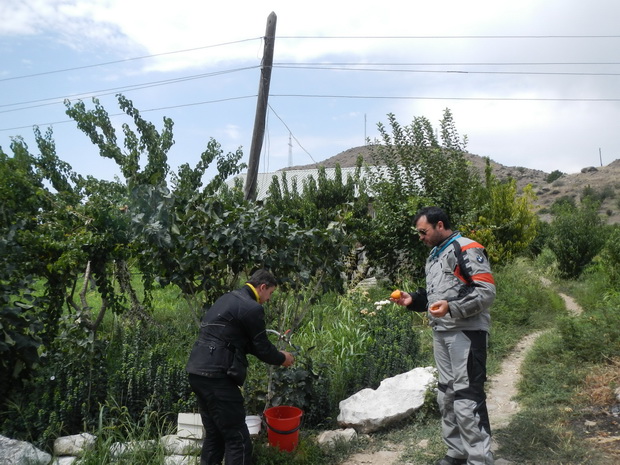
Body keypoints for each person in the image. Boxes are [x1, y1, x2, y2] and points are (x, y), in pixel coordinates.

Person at [392, 206, 496, 465]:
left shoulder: (466, 248)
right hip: (442, 332)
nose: (421, 237)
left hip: (467, 333)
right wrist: (413, 300)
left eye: (423, 232)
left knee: (467, 394)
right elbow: (437, 296)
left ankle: (480, 459)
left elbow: (485, 291)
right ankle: (457, 452)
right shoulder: (434, 255)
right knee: (446, 394)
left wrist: (453, 308)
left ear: (440, 225)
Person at [186, 269, 295, 465]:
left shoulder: (228, 299)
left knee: (215, 435)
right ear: (262, 287)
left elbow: (245, 344)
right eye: (270, 293)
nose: (268, 299)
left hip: (197, 372)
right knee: (238, 439)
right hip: (217, 377)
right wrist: (281, 358)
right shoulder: (251, 308)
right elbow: (261, 347)